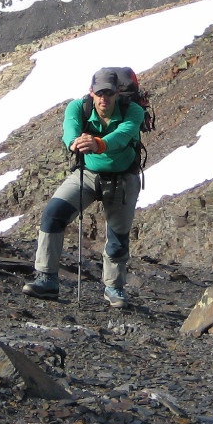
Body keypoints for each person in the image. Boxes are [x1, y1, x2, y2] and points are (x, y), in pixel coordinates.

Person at [22, 66, 146, 308]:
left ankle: (114, 288)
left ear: (118, 93)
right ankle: (46, 278)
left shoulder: (133, 110)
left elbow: (124, 134)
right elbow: (69, 130)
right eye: (99, 93)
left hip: (123, 179)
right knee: (53, 215)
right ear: (91, 92)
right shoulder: (78, 107)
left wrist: (98, 143)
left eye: (109, 93)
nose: (104, 98)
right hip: (88, 174)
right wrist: (74, 143)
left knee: (117, 237)